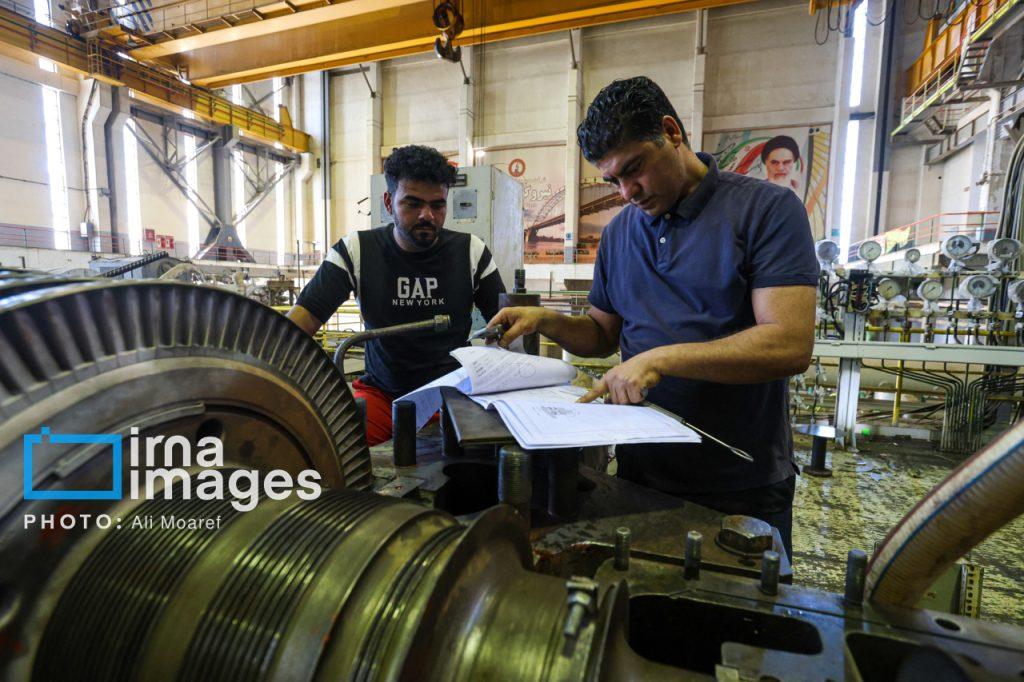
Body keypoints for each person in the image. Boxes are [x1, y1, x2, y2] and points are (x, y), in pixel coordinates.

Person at [489, 77, 818, 558]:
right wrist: (545, 321)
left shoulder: (766, 210)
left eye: (634, 169)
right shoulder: (620, 233)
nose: (627, 192)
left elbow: (788, 344)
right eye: (612, 181)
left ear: (671, 132)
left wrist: (659, 359)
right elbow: (602, 335)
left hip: (738, 480)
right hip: (640, 474)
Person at [287, 145, 506, 445]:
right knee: (330, 447)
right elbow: (298, 325)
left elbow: (506, 327)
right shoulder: (356, 251)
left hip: (450, 394)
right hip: (381, 396)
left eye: (438, 205)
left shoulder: (471, 251)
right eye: (413, 203)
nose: (427, 215)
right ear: (389, 202)